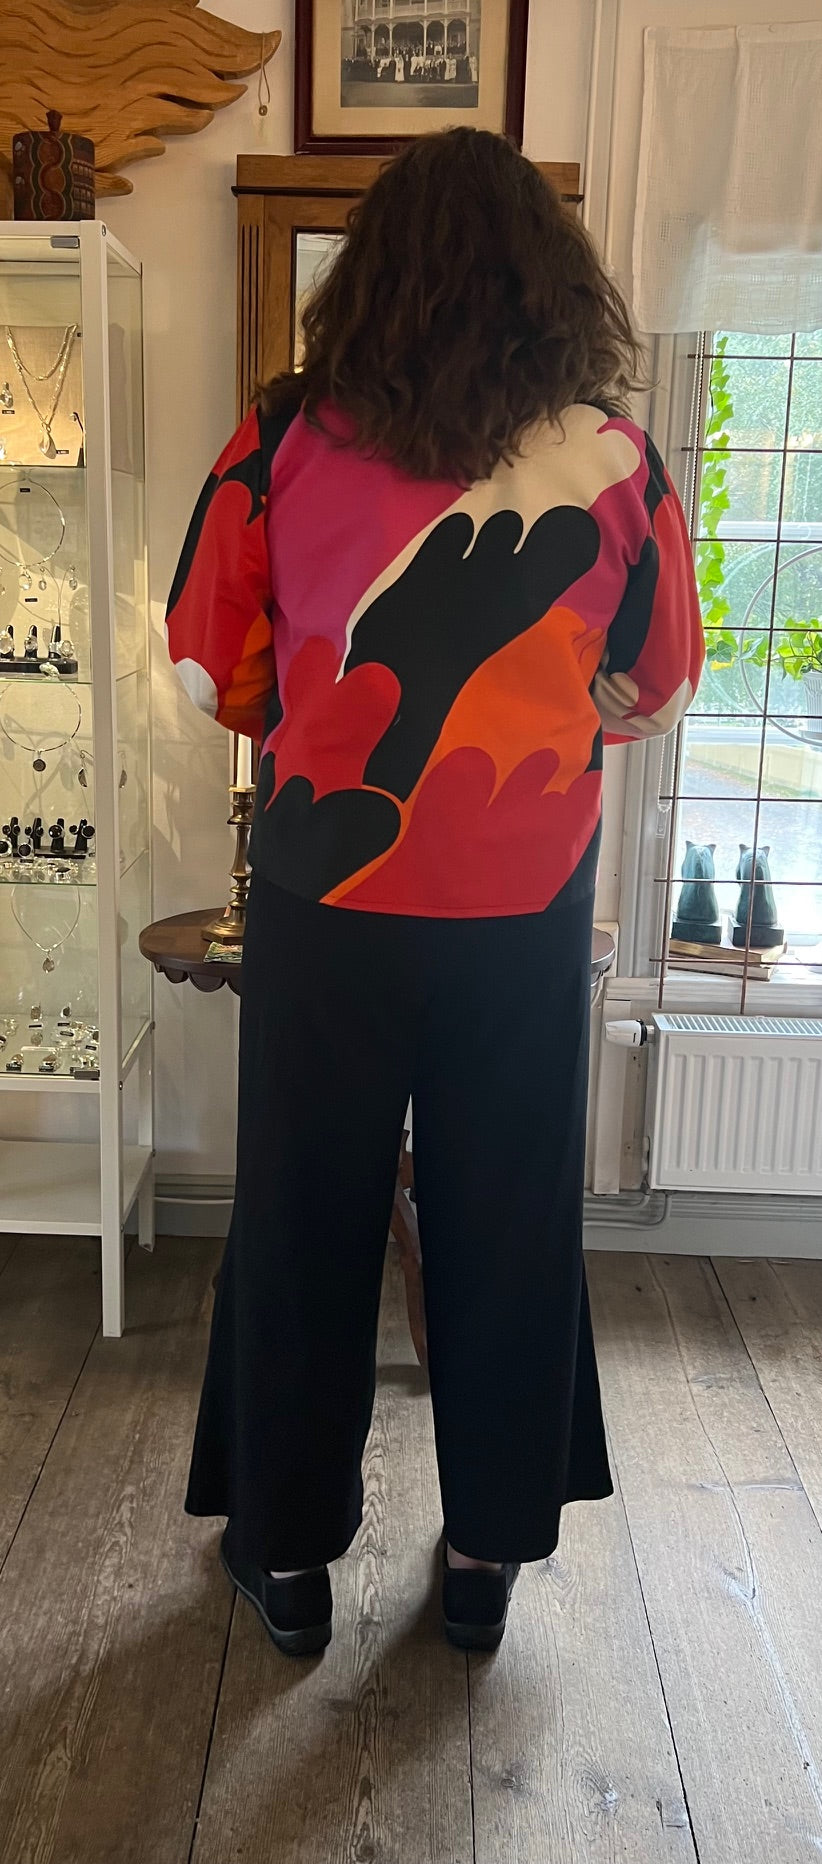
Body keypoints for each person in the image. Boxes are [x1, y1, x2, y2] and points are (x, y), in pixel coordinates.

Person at [166, 128, 704, 1659]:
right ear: (552, 283)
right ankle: (482, 1555)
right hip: (520, 903)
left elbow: (210, 666)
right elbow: (657, 681)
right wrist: (543, 722)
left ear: (373, 277)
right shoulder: (613, 458)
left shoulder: (282, 436)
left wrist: (316, 718)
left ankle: (285, 1557)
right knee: (504, 1213)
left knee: (302, 1214)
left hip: (327, 890)